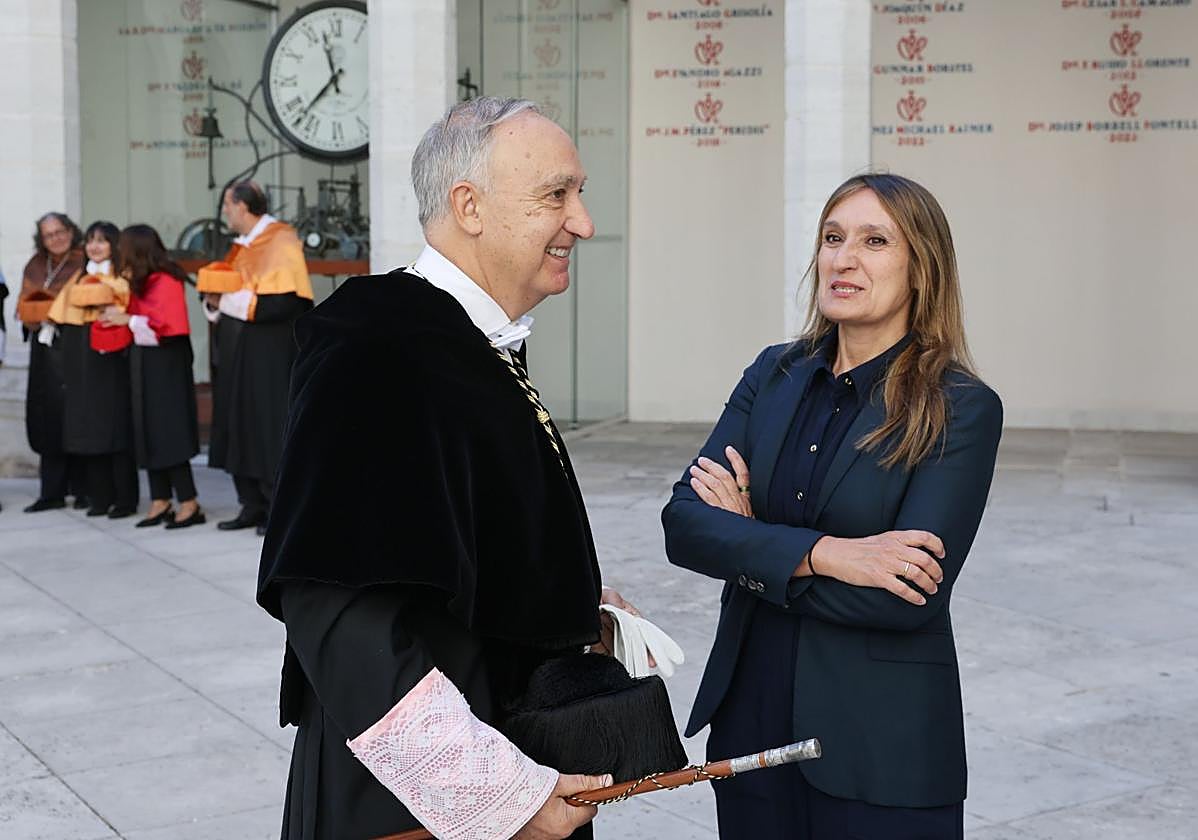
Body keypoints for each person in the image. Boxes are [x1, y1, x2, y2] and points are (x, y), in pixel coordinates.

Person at [257, 97, 643, 840]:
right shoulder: (377, 344)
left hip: (513, 741)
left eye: (580, 192)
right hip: (413, 803)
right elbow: (337, 608)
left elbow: (451, 537)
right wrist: (497, 795)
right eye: (556, 195)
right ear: (469, 206)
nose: (583, 221)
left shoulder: (463, 338)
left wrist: (567, 601)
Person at [662, 173, 1003, 840]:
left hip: (880, 747)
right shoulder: (773, 373)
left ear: (922, 268)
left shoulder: (959, 406)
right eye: (832, 237)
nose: (843, 259)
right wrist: (828, 555)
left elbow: (905, 596)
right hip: (751, 723)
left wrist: (752, 545)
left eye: (875, 241)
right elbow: (685, 525)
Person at [202, 181, 313, 535]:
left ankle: (275, 507)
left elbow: (286, 302)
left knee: (266, 424)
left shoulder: (281, 239)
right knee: (239, 422)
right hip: (237, 351)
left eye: (227, 204)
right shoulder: (240, 246)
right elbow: (227, 292)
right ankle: (250, 503)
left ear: (241, 206)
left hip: (269, 351)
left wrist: (228, 301)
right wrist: (215, 301)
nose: (225, 212)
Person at [99, 225, 204, 529]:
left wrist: (128, 319)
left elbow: (170, 329)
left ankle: (189, 501)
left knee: (169, 430)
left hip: (167, 364)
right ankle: (160, 498)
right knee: (147, 428)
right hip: (143, 361)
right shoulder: (141, 280)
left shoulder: (166, 280)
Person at [47, 221, 139, 518]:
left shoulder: (123, 277)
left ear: (114, 245)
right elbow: (60, 316)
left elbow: (127, 308)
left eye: (101, 241)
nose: (94, 247)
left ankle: (125, 499)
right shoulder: (78, 277)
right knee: (88, 428)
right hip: (81, 359)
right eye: (90, 241)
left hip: (110, 361)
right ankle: (99, 497)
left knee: (115, 427)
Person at [18, 213, 88, 512]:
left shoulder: (84, 261)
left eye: (60, 231)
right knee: (47, 415)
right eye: (49, 235)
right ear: (41, 240)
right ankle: (52, 492)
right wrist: (32, 315)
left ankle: (84, 489)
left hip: (75, 345)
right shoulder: (36, 265)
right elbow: (24, 301)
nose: (56, 238)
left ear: (71, 231)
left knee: (77, 414)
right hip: (44, 349)